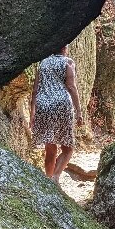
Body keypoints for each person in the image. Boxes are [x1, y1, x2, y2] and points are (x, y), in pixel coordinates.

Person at [29, 45, 84, 182]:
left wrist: (32, 112)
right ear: (64, 49)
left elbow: (35, 90)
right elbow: (71, 86)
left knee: (50, 146)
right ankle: (55, 177)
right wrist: (79, 111)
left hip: (43, 105)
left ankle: (48, 179)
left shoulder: (43, 63)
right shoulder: (68, 62)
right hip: (61, 105)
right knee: (68, 148)